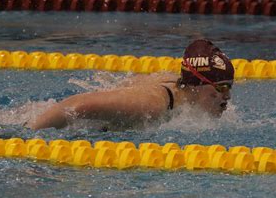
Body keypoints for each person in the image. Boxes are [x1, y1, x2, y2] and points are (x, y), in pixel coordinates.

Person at [27, 39, 234, 130]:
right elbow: (77, 106)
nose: (228, 96)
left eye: (230, 87)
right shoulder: (153, 105)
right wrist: (28, 132)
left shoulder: (182, 88)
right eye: (221, 87)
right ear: (196, 85)